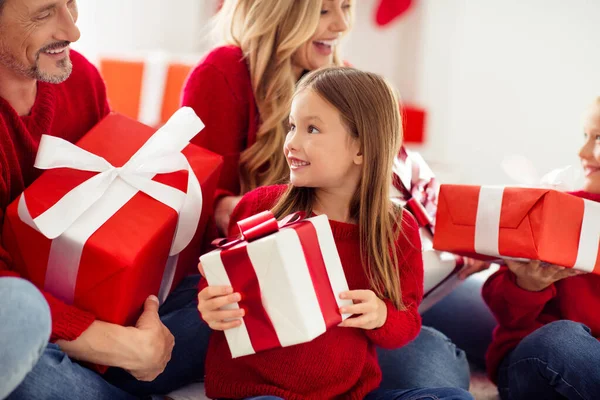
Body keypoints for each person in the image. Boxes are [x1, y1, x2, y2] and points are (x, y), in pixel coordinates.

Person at [183, 0, 470, 389]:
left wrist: (438, 246)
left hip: (363, 274)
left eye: (347, 7)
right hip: (255, 267)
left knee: (436, 355)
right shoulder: (224, 73)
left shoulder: (348, 85)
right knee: (163, 348)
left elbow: (384, 180)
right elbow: (196, 206)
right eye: (323, 11)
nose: (341, 25)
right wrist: (231, 212)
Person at [0, 1, 208, 398]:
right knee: (22, 344)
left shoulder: (81, 82)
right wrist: (113, 343)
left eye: (71, 3)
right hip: (30, 325)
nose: (73, 30)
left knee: (225, 296)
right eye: (44, 14)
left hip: (95, 303)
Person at [482, 97, 600, 399]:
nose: (583, 151)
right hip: (534, 361)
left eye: (598, 138)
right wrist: (527, 286)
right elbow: (498, 300)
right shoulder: (560, 210)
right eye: (586, 136)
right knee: (562, 340)